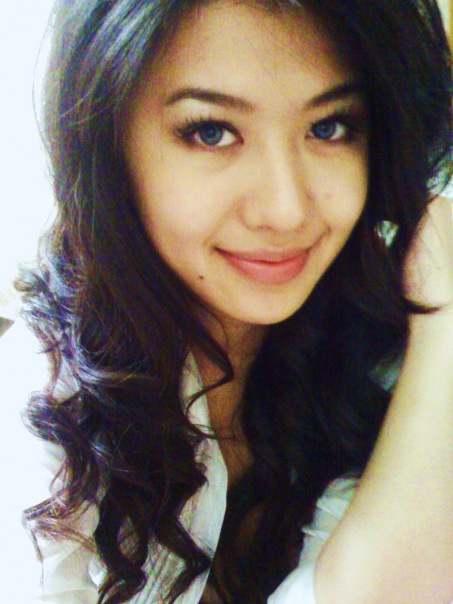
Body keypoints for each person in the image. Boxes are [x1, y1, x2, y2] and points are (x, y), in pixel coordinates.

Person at [1, 0, 452, 602]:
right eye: (211, 132)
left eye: (328, 127)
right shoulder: (45, 416)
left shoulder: (374, 338)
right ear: (107, 147)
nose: (286, 210)